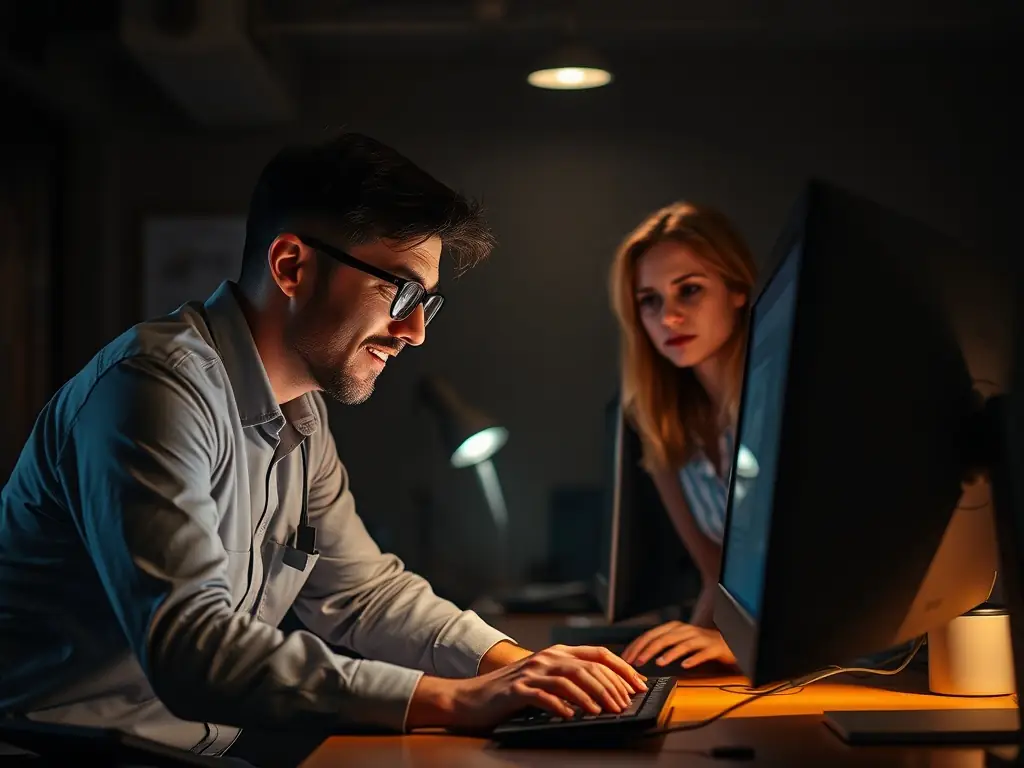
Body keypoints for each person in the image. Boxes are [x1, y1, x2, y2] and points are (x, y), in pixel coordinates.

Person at [0, 133, 646, 756]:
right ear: (291, 266)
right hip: (67, 752)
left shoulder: (299, 412)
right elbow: (190, 651)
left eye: (428, 301)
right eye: (402, 290)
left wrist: (523, 666)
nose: (416, 331)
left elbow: (363, 595)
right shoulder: (152, 392)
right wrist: (457, 700)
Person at [607, 202, 758, 672]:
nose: (667, 318)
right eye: (649, 301)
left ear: (737, 289)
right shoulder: (665, 424)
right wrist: (679, 660)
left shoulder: (776, 402)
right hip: (759, 659)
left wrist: (742, 646)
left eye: (688, 291)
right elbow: (717, 577)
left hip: (836, 658)